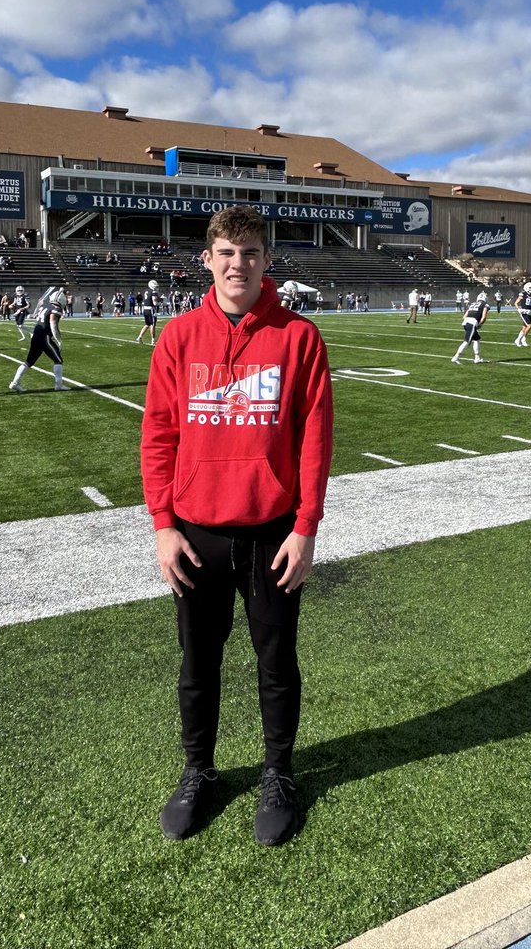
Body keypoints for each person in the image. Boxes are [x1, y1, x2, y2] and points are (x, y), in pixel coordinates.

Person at [141, 206, 333, 847]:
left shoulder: (299, 338)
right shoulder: (178, 337)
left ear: (266, 260)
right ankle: (199, 771)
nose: (237, 264)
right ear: (208, 259)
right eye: (226, 252)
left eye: (249, 252)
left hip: (274, 531)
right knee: (198, 663)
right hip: (198, 532)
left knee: (276, 661)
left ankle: (278, 772)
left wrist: (306, 526)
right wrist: (164, 526)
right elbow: (159, 434)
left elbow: (314, 440)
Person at [9, 288, 70, 392]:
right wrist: (59, 340)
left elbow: (35, 316)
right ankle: (58, 385)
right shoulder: (56, 309)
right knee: (58, 360)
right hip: (44, 337)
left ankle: (14, 383)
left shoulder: (45, 306)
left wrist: (38, 305)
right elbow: (53, 325)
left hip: (36, 335)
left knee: (29, 362)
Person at [451, 291, 490, 364]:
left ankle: (477, 357)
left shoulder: (472, 304)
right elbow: (484, 317)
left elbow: (464, 316)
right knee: (467, 341)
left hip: (466, 322)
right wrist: (480, 324)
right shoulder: (485, 304)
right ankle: (456, 357)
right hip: (472, 323)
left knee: (477, 339)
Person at [136, 279, 161, 343]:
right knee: (152, 325)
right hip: (151, 309)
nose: (156, 287)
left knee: (147, 324)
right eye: (155, 286)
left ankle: (139, 337)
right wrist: (160, 302)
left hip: (145, 309)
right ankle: (153, 340)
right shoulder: (153, 292)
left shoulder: (146, 291)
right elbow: (155, 303)